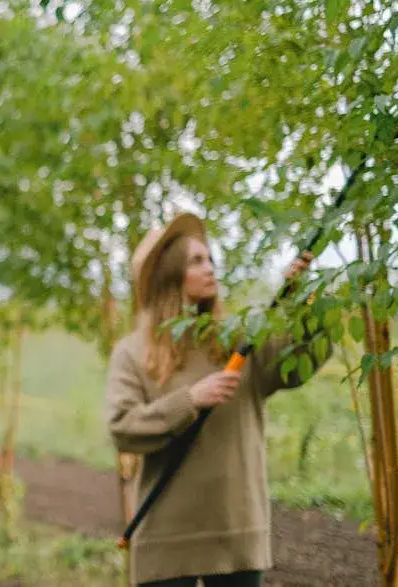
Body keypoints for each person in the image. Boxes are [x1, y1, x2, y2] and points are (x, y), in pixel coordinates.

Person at [106, 213, 330, 587]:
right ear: (169, 274)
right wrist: (190, 399)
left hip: (236, 530)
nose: (210, 268)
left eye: (210, 259)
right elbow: (122, 428)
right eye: (196, 261)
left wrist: (303, 302)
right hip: (165, 535)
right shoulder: (133, 353)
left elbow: (297, 365)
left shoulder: (238, 339)